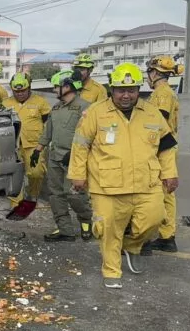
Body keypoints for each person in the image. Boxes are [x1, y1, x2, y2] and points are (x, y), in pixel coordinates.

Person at [68, 63, 179, 289]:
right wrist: (78, 175)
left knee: (155, 219)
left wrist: (170, 173)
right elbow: (80, 145)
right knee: (108, 228)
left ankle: (132, 246)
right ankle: (111, 270)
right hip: (106, 185)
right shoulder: (95, 113)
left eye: (131, 90)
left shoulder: (152, 113)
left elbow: (166, 147)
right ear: (112, 89)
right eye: (121, 90)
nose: (126, 95)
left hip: (147, 183)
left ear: (138, 90)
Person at [34, 70, 93, 242]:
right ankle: (65, 230)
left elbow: (90, 135)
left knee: (75, 194)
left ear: (67, 87)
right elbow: (48, 131)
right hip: (54, 157)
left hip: (74, 159)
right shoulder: (56, 107)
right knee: (56, 195)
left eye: (56, 86)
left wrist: (75, 153)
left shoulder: (85, 107)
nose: (54, 90)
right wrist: (38, 150)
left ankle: (86, 221)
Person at [142, 55, 183, 255]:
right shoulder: (164, 92)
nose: (148, 76)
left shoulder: (163, 93)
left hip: (161, 148)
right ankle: (166, 236)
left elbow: (159, 121)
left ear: (156, 73)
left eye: (149, 72)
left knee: (161, 193)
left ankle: (162, 236)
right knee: (164, 193)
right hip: (163, 147)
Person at [3, 72, 51, 221]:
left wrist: (45, 142)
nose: (20, 94)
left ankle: (32, 196)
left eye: (23, 90)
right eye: (16, 91)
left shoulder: (40, 102)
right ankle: (16, 204)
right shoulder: (5, 103)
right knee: (13, 174)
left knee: (36, 173)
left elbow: (48, 123)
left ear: (29, 87)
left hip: (34, 145)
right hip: (13, 145)